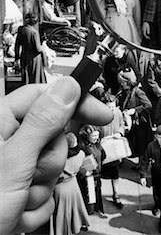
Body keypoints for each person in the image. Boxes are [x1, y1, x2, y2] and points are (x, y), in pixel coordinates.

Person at [0, 76, 113, 235]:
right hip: (71, 190)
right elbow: (87, 169)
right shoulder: (81, 154)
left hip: (59, 191)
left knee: (57, 216)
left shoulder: (66, 157)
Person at [51, 132, 90, 234]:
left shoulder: (57, 157)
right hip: (73, 186)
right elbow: (87, 170)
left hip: (59, 188)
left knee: (60, 214)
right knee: (73, 211)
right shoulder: (81, 154)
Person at [117, 68, 153, 167]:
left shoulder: (138, 92)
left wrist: (135, 110)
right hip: (129, 121)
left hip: (139, 123)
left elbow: (148, 105)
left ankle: (141, 164)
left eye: (123, 82)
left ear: (128, 82)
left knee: (140, 143)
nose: (121, 84)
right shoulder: (124, 91)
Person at [99, 93, 126, 209]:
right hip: (102, 149)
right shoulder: (98, 115)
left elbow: (122, 124)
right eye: (109, 107)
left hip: (114, 149)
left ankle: (116, 195)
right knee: (99, 174)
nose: (111, 110)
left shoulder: (118, 113)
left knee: (115, 174)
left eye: (113, 107)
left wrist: (120, 132)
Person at [78, 124, 107, 218]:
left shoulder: (97, 145)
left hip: (97, 174)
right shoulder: (82, 148)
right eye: (94, 136)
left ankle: (95, 209)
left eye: (97, 135)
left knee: (96, 192)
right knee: (89, 195)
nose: (96, 138)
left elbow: (103, 156)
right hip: (88, 176)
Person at [14, 12, 46, 84]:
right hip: (34, 59)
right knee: (35, 79)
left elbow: (17, 45)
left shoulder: (21, 29)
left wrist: (16, 58)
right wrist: (43, 47)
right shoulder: (34, 32)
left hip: (24, 57)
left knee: (26, 78)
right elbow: (38, 48)